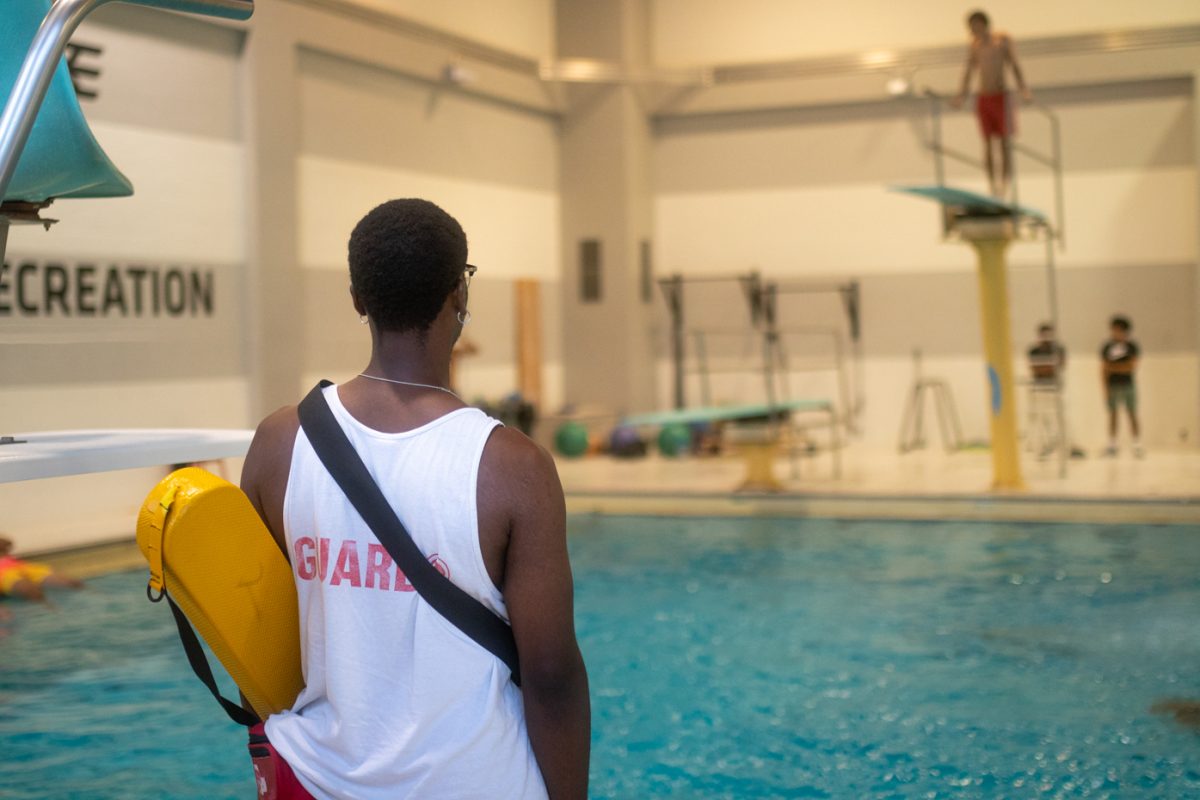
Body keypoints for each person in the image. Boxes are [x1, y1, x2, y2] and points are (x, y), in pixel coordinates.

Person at [239, 199, 590, 799]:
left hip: (319, 776)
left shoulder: (280, 441)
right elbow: (551, 673)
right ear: (460, 295)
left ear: (358, 298)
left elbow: (248, 624)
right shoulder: (511, 468)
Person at [950, 10, 1032, 198]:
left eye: (976, 25)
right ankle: (991, 185)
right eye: (971, 28)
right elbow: (968, 72)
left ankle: (1004, 184)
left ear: (984, 24)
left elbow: (1014, 65)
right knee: (987, 143)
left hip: (1001, 96)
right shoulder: (975, 46)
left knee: (1003, 144)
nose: (974, 30)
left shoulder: (1001, 40)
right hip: (984, 97)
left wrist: (1024, 89)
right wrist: (961, 95)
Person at [1100, 315, 1142, 458]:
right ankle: (1112, 444)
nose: (1114, 332)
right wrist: (1105, 388)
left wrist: (1114, 367)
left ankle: (1136, 443)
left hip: (1128, 385)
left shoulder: (1131, 347)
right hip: (1112, 385)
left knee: (1132, 413)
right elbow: (1104, 368)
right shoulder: (1107, 347)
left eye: (1117, 329)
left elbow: (1131, 367)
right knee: (1113, 414)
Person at [0, 536, 84, 602]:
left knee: (71, 582)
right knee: (30, 589)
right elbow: (6, 542)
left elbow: (7, 542)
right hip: (10, 570)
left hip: (17, 567)